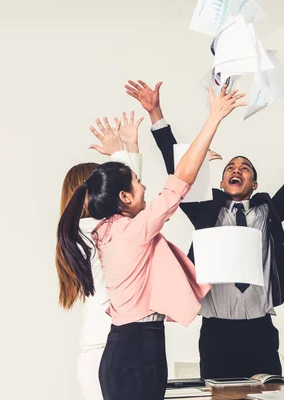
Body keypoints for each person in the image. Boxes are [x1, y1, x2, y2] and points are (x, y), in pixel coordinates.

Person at [125, 79, 284, 379]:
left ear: (254, 184)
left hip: (260, 330)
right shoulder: (206, 210)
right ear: (220, 183)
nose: (236, 170)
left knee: (268, 398)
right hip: (217, 332)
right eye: (230, 168)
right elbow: (179, 169)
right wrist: (156, 114)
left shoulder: (267, 212)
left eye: (244, 168)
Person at [56, 87, 244, 400]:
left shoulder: (108, 229)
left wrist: (126, 150)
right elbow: (180, 179)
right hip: (132, 347)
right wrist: (214, 118)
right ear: (124, 197)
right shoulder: (128, 232)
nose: (145, 187)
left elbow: (123, 196)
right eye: (138, 184)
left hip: (139, 343)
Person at [56, 113, 143, 400]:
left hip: (108, 347)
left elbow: (129, 214)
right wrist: (123, 155)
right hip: (102, 350)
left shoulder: (88, 231)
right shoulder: (87, 231)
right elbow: (129, 216)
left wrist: (130, 149)